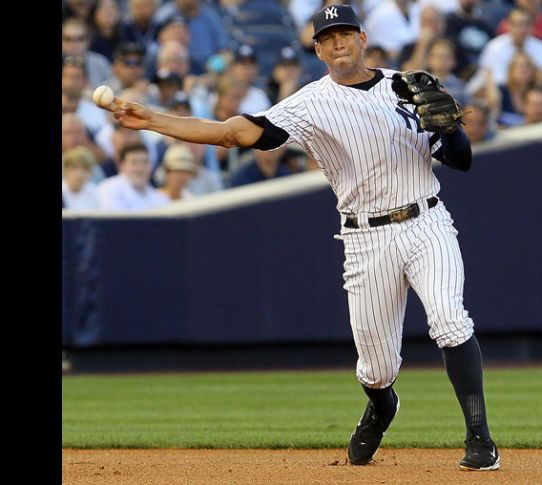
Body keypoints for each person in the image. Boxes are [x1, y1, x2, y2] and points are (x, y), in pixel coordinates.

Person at [104, 3, 500, 471]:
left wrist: (451, 128)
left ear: (362, 39)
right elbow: (232, 133)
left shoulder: (405, 86)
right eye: (328, 37)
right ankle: (381, 404)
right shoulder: (308, 103)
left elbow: (462, 160)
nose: (339, 42)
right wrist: (152, 120)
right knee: (376, 368)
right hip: (365, 238)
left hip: (426, 220)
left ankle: (480, 440)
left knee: (451, 321)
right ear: (317, 49)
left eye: (346, 33)